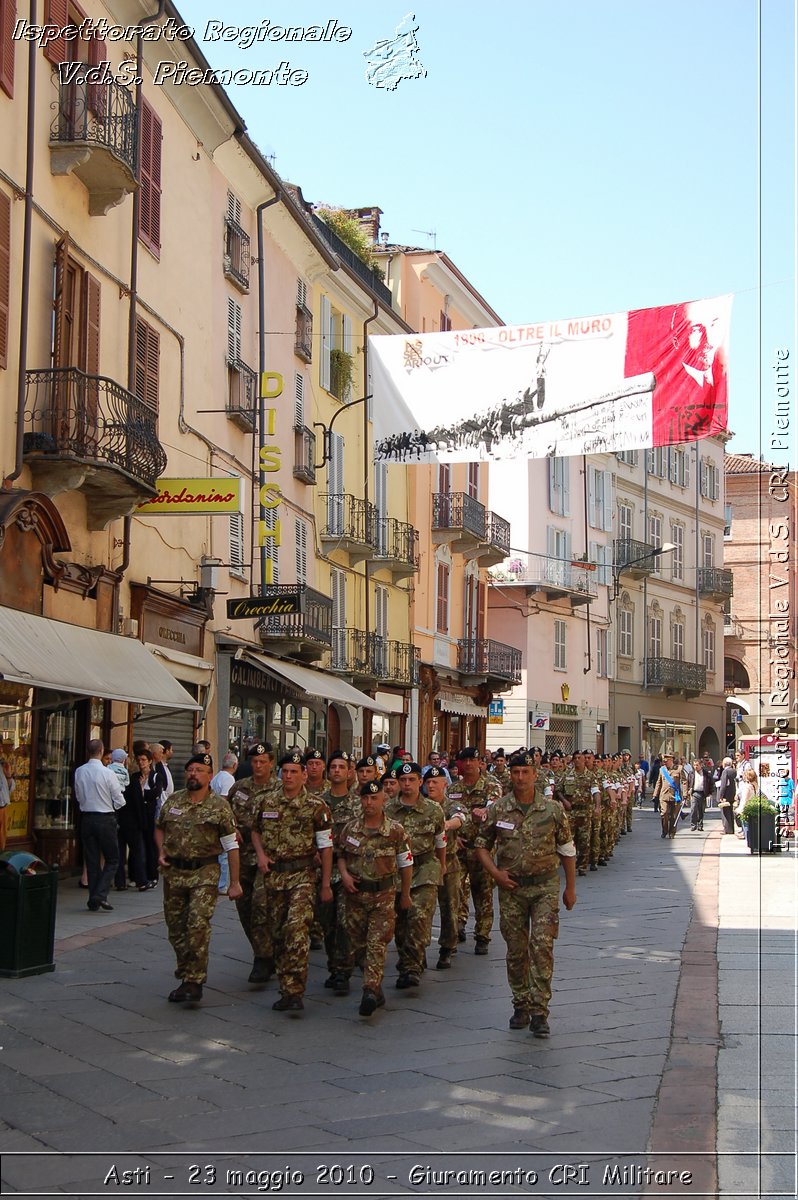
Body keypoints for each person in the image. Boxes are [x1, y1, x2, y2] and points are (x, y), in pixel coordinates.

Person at [475, 751, 576, 1036]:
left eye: (525, 773)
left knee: (542, 947)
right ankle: (520, 1002)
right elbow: (481, 845)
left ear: (535, 775)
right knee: (517, 950)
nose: (520, 778)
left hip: (544, 887)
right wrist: (496, 874)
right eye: (515, 772)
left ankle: (539, 1011)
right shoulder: (499, 809)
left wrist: (570, 888)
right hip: (512, 888)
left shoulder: (552, 810)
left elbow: (567, 850)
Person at [250, 751, 333, 1013]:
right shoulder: (267, 802)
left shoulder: (316, 806)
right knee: (277, 932)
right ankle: (285, 982)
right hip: (274, 876)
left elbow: (326, 845)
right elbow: (255, 830)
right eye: (285, 771)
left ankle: (294, 990)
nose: (288, 776)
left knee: (296, 930)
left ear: (304, 775)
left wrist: (326, 883)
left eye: (294, 772)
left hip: (302, 876)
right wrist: (261, 855)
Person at [155, 753, 242, 1003]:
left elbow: (231, 845)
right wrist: (161, 850)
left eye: (200, 770)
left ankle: (194, 980)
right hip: (174, 873)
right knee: (176, 928)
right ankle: (185, 969)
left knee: (197, 924)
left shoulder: (219, 807)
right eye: (190, 769)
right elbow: (159, 827)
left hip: (204, 872)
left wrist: (234, 882)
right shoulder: (173, 801)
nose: (193, 774)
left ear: (210, 776)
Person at [337, 781, 413, 1016]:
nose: (369, 803)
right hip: (356, 896)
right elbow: (341, 855)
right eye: (365, 798)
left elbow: (406, 863)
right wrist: (345, 876)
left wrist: (406, 894)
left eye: (374, 798)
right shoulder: (351, 829)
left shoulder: (395, 831)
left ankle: (370, 990)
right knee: (358, 944)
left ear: (383, 800)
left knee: (377, 943)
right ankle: (376, 989)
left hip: (383, 896)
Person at [385, 761, 446, 989]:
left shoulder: (433, 809)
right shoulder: (388, 810)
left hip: (424, 868)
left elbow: (440, 840)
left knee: (419, 918)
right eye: (403, 780)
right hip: (397, 871)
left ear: (420, 781)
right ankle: (409, 958)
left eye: (412, 780)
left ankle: (411, 967)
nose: (407, 784)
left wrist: (441, 865)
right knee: (400, 924)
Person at [224, 742, 279, 984]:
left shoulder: (279, 789)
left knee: (260, 907)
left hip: (268, 859)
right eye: (254, 762)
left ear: (271, 763)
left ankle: (264, 957)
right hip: (242, 858)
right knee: (245, 908)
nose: (257, 766)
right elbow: (225, 814)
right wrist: (231, 828)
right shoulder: (239, 788)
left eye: (262, 762)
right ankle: (264, 950)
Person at [450, 747, 502, 952]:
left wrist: (485, 811)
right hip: (459, 848)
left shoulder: (491, 786)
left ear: (480, 762)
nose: (469, 764)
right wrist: (454, 837)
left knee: (483, 892)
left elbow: (494, 806)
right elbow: (446, 812)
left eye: (473, 759)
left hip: (482, 849)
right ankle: (458, 924)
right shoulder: (453, 789)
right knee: (456, 889)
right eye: (465, 760)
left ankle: (482, 934)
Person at [73, 739, 125, 912]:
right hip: (105, 817)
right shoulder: (107, 773)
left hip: (87, 817)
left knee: (92, 859)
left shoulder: (80, 771)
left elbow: (79, 796)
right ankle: (100, 894)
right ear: (102, 751)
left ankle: (93, 898)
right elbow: (118, 798)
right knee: (113, 858)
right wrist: (116, 805)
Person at [424, 765, 466, 970]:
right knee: (423, 908)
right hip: (425, 863)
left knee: (450, 906)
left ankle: (447, 947)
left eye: (435, 782)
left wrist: (447, 825)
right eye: (428, 782)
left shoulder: (451, 805)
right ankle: (418, 949)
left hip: (448, 862)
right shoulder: (421, 805)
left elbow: (460, 819)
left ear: (445, 784)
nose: (431, 785)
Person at [211, 752, 238, 893]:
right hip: (221, 819)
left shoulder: (217, 777)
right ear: (234, 765)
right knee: (224, 853)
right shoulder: (229, 780)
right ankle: (221, 885)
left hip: (212, 816)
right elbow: (224, 800)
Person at [651, 752, 683, 839]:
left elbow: (684, 782)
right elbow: (659, 782)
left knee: (674, 816)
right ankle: (664, 830)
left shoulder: (679, 769)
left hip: (675, 795)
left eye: (666, 761)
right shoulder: (662, 769)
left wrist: (686, 793)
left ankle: (672, 832)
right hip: (664, 795)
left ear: (671, 760)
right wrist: (655, 794)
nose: (664, 763)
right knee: (664, 813)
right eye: (664, 761)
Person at [690, 758, 712, 831]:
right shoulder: (691, 773)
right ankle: (693, 824)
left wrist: (710, 793)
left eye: (697, 765)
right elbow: (688, 782)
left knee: (701, 810)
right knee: (693, 809)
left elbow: (710, 783)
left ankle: (700, 825)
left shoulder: (706, 774)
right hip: (694, 793)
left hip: (703, 793)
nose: (695, 767)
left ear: (701, 765)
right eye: (694, 765)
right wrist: (688, 790)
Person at [717, 756, 738, 835]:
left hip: (726, 795)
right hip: (732, 793)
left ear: (724, 764)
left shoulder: (725, 771)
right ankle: (731, 828)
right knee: (730, 812)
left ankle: (727, 829)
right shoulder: (733, 770)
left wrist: (721, 795)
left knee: (725, 812)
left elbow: (723, 784)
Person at [0, 753, 15, 851]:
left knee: (1, 842)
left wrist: (8, 776)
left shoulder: (2, 766)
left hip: (2, 807)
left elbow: (9, 789)